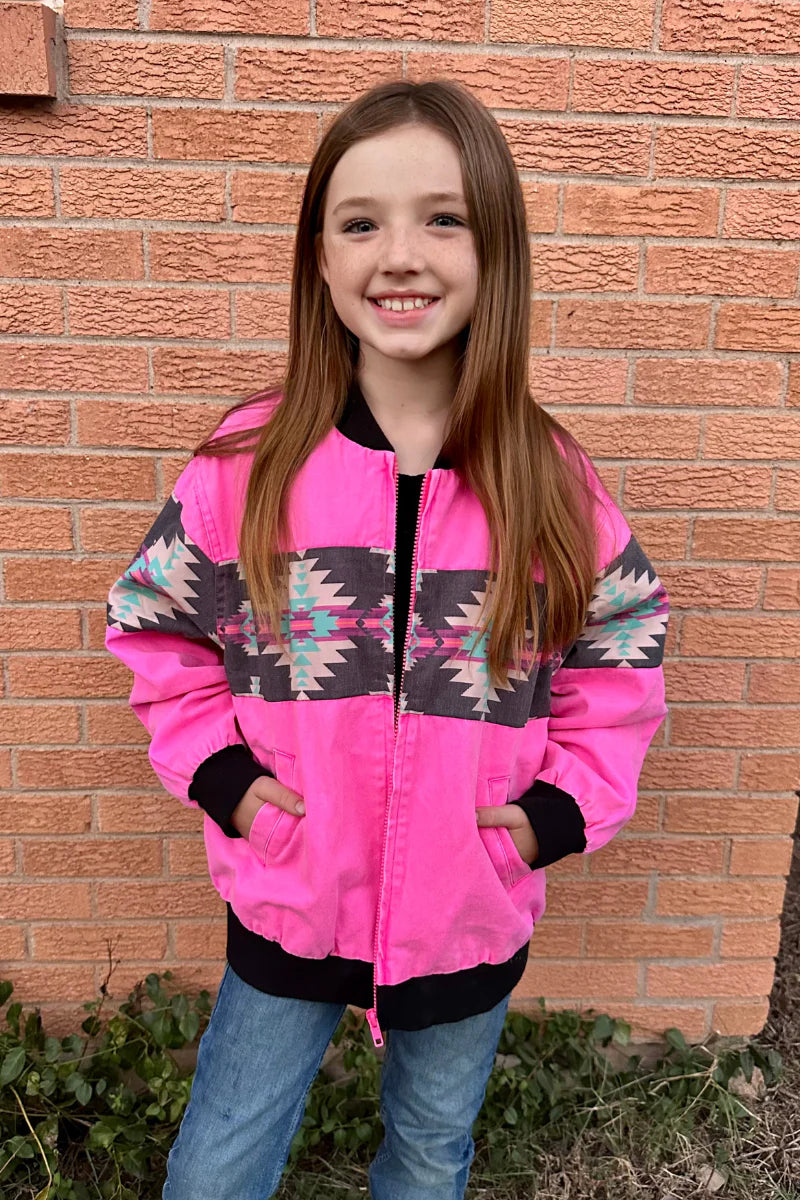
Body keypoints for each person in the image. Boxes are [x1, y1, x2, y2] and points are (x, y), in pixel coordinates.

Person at [105, 78, 669, 1200]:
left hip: (468, 911)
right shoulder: (244, 470)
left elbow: (621, 649)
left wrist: (551, 818)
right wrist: (228, 785)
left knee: (427, 1155)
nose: (400, 255)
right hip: (292, 893)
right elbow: (156, 630)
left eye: (442, 218)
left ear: (496, 250)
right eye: (360, 222)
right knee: (216, 1168)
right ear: (319, 260)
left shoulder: (550, 485)